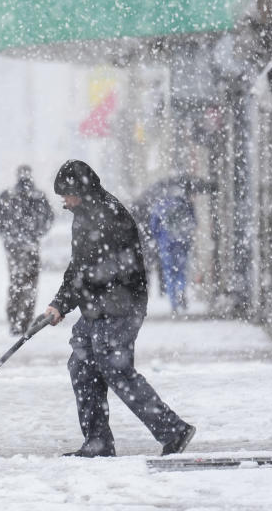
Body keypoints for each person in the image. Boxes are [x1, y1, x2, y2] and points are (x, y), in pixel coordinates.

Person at [43, 160, 195, 458]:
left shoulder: (107, 215)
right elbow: (79, 268)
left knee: (116, 369)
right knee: (82, 366)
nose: (64, 200)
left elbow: (96, 271)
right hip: (96, 305)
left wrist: (66, 302)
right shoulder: (85, 214)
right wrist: (60, 303)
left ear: (81, 190)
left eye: (67, 193)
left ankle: (173, 430)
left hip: (119, 306)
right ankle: (97, 441)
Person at [0, 165, 55, 335]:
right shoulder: (38, 196)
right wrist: (37, 234)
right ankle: (25, 318)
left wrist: (8, 236)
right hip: (30, 245)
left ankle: (14, 318)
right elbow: (49, 218)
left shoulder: (8, 195)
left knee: (16, 281)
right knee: (30, 283)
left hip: (14, 246)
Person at [147, 182, 197, 316]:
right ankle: (181, 290)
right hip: (182, 243)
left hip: (166, 244)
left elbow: (153, 227)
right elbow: (194, 222)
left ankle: (174, 303)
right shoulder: (184, 204)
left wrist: (159, 238)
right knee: (181, 271)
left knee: (169, 274)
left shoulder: (160, 206)